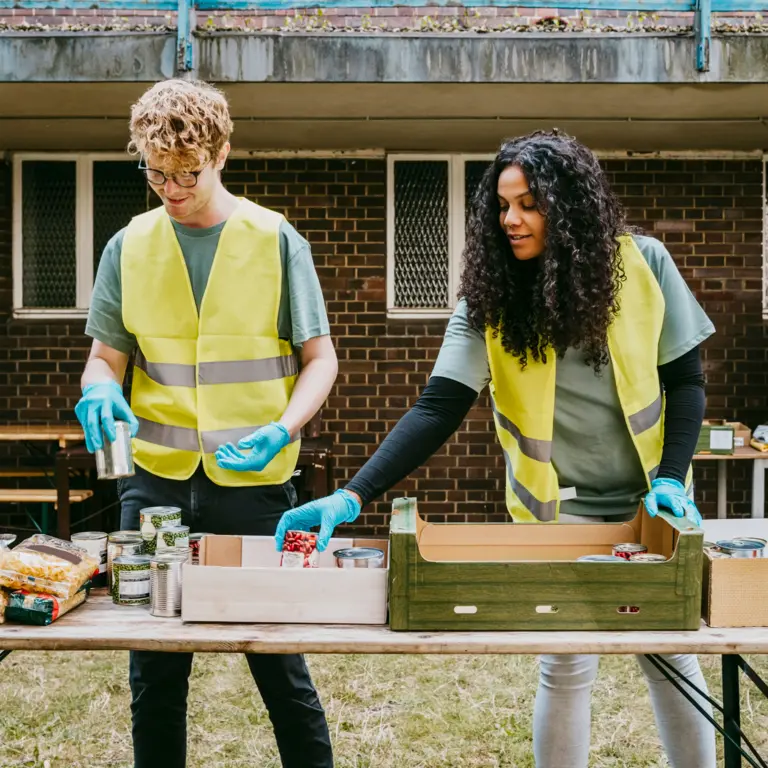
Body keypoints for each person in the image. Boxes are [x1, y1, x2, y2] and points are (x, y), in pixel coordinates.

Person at [275, 131, 717, 768]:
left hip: (656, 500)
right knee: (565, 661)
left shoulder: (643, 265)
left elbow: (686, 382)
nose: (511, 219)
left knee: (671, 656)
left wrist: (673, 477)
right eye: (503, 206)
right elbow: (438, 407)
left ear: (570, 208)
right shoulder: (490, 299)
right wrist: (352, 495)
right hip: (559, 514)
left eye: (529, 204)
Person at [75, 78, 337, 768]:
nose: (171, 188)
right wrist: (97, 389)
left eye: (186, 173)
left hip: (253, 486)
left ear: (221, 153)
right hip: (154, 484)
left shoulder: (275, 240)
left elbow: (321, 360)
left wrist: (284, 427)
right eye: (156, 172)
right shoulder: (127, 246)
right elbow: (104, 359)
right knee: (155, 674)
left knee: (279, 666)